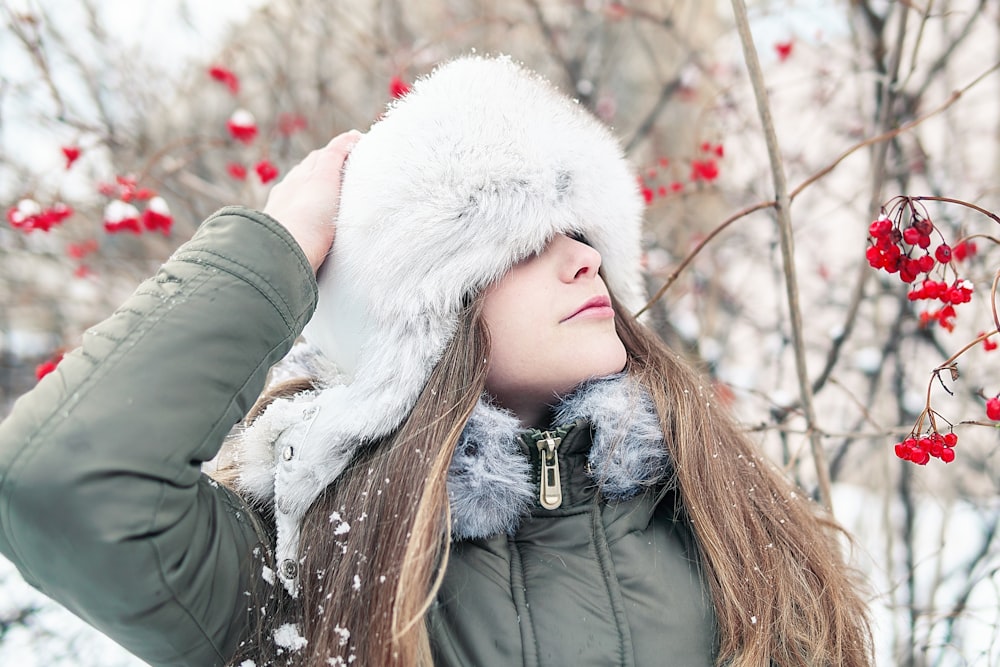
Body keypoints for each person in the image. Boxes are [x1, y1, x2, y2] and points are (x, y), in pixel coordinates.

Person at [0, 55, 873, 666]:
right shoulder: (306, 563)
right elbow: (64, 480)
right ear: (418, 318)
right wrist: (278, 245)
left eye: (582, 232)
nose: (581, 259)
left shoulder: (718, 508)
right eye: (526, 240)